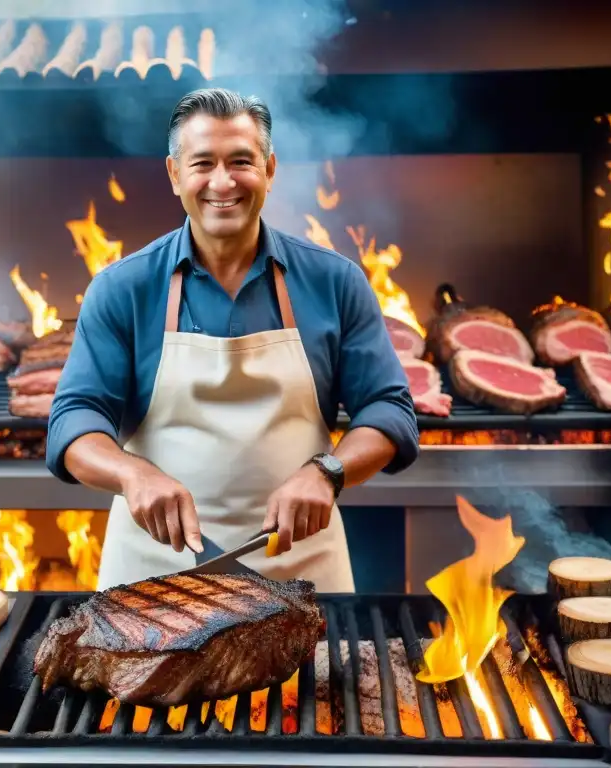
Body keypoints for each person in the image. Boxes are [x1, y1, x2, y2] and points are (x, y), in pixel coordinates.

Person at [46, 87, 419, 592]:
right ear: (175, 174)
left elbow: (389, 410)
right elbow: (74, 420)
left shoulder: (335, 281)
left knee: (321, 676)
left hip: (301, 576)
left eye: (241, 161)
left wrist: (328, 471)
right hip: (156, 583)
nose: (222, 182)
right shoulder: (122, 288)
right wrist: (134, 476)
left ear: (269, 168)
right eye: (202, 164)